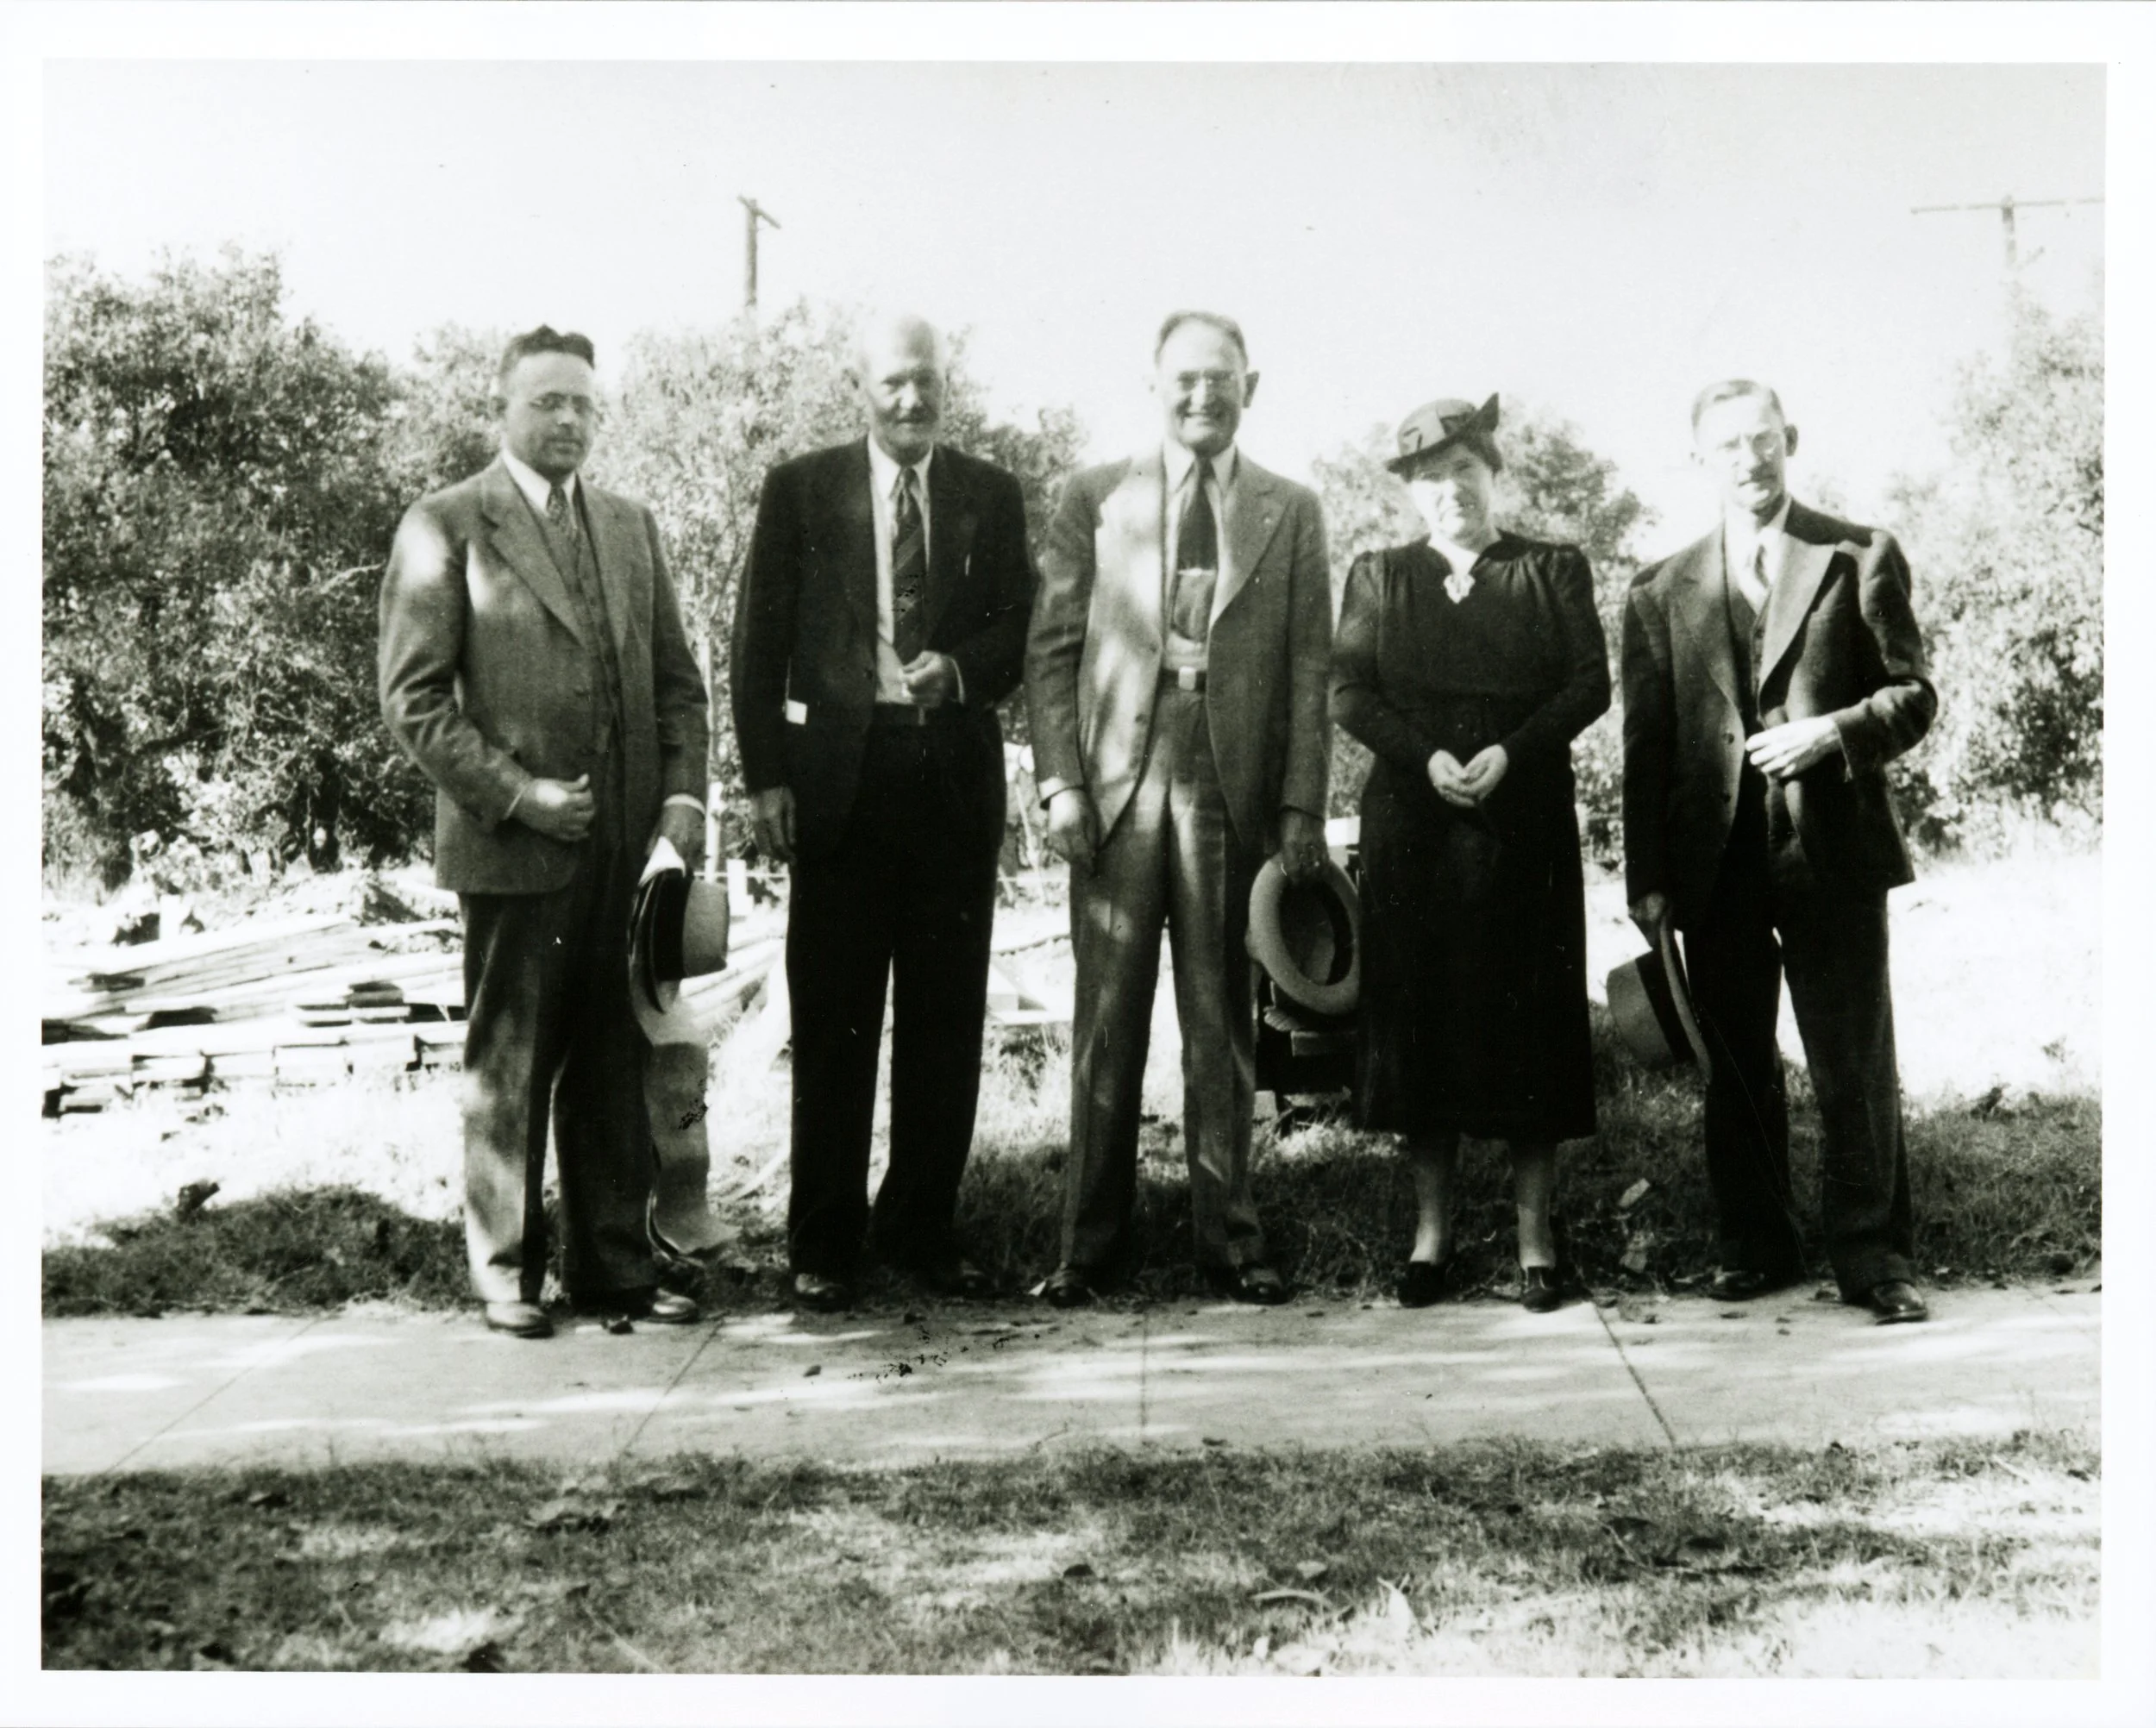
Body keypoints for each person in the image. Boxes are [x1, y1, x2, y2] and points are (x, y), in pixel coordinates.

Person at [379, 326, 711, 1339]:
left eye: (581, 404)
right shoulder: (447, 524)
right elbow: (413, 701)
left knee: (615, 1063)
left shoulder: (628, 525)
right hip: (516, 848)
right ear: (505, 409)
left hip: (628, 858)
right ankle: (506, 1274)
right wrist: (520, 796)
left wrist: (681, 810)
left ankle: (611, 1268)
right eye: (545, 402)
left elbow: (677, 691)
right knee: (511, 1061)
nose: (566, 420)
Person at [730, 313, 1037, 1312]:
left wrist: (959, 670)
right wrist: (767, 778)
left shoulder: (988, 495)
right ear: (858, 385)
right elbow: (756, 641)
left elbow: (1014, 632)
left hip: (949, 786)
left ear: (947, 384)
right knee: (833, 1022)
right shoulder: (802, 488)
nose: (912, 401)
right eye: (893, 382)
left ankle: (921, 1231)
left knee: (945, 1022)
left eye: (927, 381)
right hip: (840, 793)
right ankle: (823, 1242)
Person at [1025, 310, 1332, 1307]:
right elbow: (1053, 649)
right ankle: (1087, 1249)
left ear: (1253, 384)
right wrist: (1060, 780)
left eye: (1222, 378)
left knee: (1220, 1019)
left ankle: (1229, 1243)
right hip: (1114, 777)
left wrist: (1298, 806)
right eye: (1184, 379)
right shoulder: (1094, 497)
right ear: (1152, 384)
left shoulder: (1292, 509)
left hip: (1229, 777)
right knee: (1106, 1018)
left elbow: (1307, 665)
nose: (1203, 395)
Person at [1622, 379, 1936, 1324]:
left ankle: (1872, 1258)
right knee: (1736, 1060)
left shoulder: (1857, 552)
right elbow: (1644, 749)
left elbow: (1912, 694)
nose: (1749, 460)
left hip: (1828, 847)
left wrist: (1831, 734)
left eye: (1763, 440)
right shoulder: (1656, 588)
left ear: (1787, 440)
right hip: (1711, 859)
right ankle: (1753, 1244)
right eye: (1728, 446)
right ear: (1700, 459)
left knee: (1851, 1058)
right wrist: (1646, 881)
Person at [1330, 395, 1610, 1314]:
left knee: (1526, 1017)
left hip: (1520, 816)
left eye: (1464, 470)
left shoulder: (1549, 569)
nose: (1449, 490)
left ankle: (1535, 1242)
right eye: (1429, 477)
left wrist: (1511, 751)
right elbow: (1350, 694)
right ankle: (1430, 1238)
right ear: (1410, 493)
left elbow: (1587, 683)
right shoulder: (1378, 575)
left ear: (1493, 473)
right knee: (1421, 1018)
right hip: (1414, 821)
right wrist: (1429, 757)